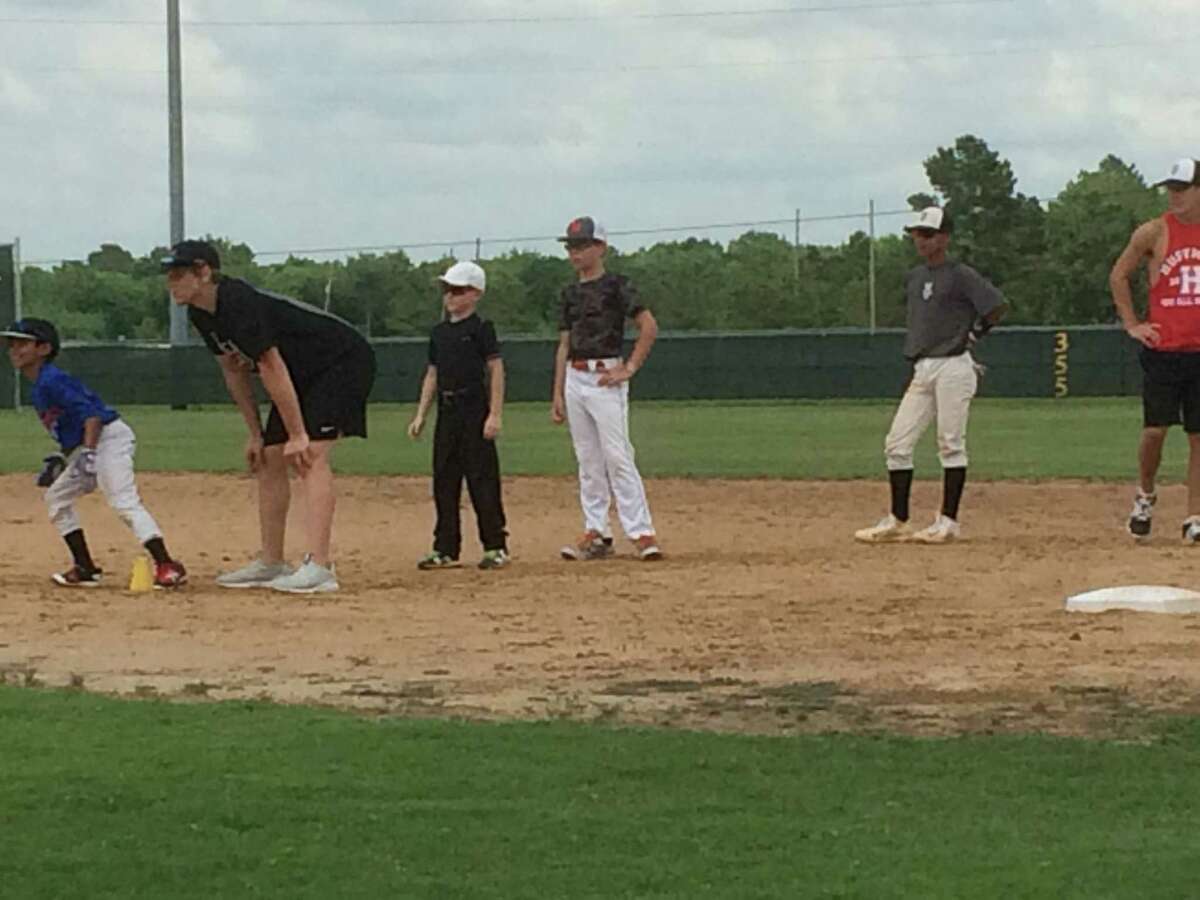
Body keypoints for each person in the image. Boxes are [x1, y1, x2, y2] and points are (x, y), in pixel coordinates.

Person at [162, 240, 376, 593]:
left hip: (341, 361)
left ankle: (320, 567)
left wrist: (298, 434)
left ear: (204, 272)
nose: (172, 283)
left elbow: (269, 363)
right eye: (169, 275)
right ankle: (272, 561)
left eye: (179, 273)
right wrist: (256, 433)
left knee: (310, 455)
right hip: (300, 374)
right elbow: (233, 370)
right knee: (269, 459)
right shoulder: (201, 313)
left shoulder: (237, 301)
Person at [855, 206, 1007, 545]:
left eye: (927, 234)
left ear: (944, 238)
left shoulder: (960, 274)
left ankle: (948, 522)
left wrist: (975, 333)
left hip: (954, 365)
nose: (920, 240)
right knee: (897, 443)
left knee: (951, 444)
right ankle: (898, 519)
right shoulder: (916, 277)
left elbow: (996, 306)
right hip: (923, 366)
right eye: (916, 234)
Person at [2, 318, 187, 588]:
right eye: (12, 343)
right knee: (57, 498)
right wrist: (63, 458)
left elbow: (92, 417)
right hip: (89, 445)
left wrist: (88, 454)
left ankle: (168, 565)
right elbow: (71, 427)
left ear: (43, 348)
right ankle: (85, 568)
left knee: (122, 501)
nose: (14, 349)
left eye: (23, 343)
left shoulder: (52, 380)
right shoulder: (41, 384)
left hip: (109, 438)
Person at [551, 216, 663, 561]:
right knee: (588, 459)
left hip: (605, 374)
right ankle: (597, 531)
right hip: (576, 375)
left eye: (582, 246)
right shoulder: (569, 293)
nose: (575, 253)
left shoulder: (617, 285)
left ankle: (641, 532)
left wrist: (628, 367)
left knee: (617, 456)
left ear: (601, 247)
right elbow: (564, 343)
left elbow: (649, 326)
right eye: (571, 247)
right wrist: (557, 392)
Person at [1111, 157, 1200, 542]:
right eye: (1171, 189)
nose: (1174, 196)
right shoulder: (1154, 231)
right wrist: (1132, 324)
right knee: (1155, 432)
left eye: (1182, 189)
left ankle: (1194, 515)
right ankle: (1145, 494)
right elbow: (1119, 275)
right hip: (1164, 351)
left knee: (1199, 437)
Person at [407, 260, 510, 570]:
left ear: (475, 293)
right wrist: (421, 414)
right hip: (447, 411)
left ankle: (495, 545)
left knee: (482, 479)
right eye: (447, 290)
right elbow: (432, 374)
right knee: (444, 481)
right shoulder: (439, 333)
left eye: (457, 290)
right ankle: (446, 547)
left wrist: (494, 414)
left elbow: (495, 369)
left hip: (474, 408)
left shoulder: (481, 329)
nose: (449, 297)